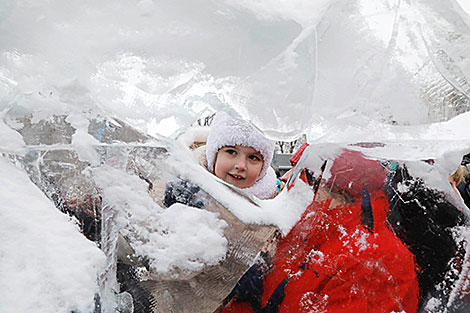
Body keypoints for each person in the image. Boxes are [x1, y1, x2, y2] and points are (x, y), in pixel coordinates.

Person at [164, 111, 279, 207]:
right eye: (231, 152)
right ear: (213, 155)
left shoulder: (274, 201)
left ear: (263, 168)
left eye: (253, 157)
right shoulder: (184, 180)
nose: (241, 166)